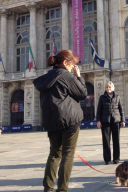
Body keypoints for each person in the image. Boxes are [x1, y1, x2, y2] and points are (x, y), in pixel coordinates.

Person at [33, 49, 87, 192]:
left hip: (51, 121)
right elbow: (82, 93)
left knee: (54, 153)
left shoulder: (45, 78)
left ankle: (48, 188)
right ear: (64, 63)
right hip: (70, 120)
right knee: (68, 154)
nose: (71, 68)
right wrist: (78, 77)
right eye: (71, 65)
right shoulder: (66, 76)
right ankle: (62, 189)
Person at [96, 81, 125, 165]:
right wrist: (98, 121)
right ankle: (107, 159)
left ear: (113, 88)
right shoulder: (102, 97)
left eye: (110, 87)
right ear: (105, 88)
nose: (108, 88)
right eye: (107, 87)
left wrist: (122, 120)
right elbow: (99, 110)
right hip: (105, 121)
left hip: (116, 120)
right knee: (106, 141)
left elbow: (121, 109)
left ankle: (116, 158)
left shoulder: (117, 97)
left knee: (116, 140)